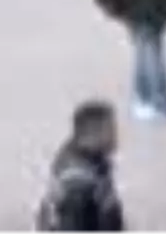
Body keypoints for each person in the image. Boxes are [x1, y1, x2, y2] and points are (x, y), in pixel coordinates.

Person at [36, 100, 124, 234]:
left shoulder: (93, 157)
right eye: (111, 130)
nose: (117, 136)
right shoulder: (77, 184)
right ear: (94, 134)